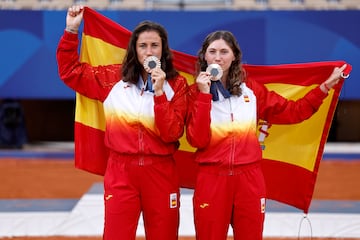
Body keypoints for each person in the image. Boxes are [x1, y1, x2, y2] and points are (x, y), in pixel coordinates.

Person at [185, 30, 347, 240]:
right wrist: (204, 97)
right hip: (212, 179)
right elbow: (197, 140)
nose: (218, 57)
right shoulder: (193, 93)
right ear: (204, 56)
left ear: (234, 56)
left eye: (224, 51)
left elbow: (293, 112)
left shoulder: (251, 90)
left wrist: (324, 87)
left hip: (249, 180)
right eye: (212, 51)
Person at [56, 5, 188, 240]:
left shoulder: (176, 86)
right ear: (134, 50)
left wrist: (159, 94)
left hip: (161, 172)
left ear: (163, 50)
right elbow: (71, 72)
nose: (149, 52)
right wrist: (70, 30)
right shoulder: (112, 79)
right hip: (121, 172)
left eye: (154, 46)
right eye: (143, 46)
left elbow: (172, 133)